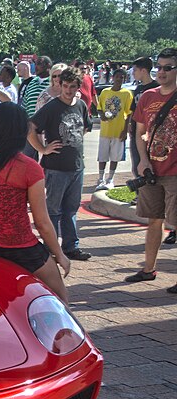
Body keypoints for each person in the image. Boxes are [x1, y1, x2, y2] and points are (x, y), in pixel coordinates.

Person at [0, 102, 70, 301]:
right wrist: (60, 254)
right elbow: (42, 222)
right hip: (24, 250)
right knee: (60, 299)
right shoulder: (29, 167)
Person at [125, 48, 177, 293]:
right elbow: (138, 133)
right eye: (160, 66)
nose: (162, 72)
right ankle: (148, 269)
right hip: (152, 170)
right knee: (154, 220)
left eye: (169, 67)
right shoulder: (147, 97)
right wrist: (142, 161)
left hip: (175, 171)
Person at [28, 67, 93, 261]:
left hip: (76, 165)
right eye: (65, 86)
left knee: (71, 208)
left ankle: (71, 246)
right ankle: (51, 246)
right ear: (59, 85)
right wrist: (43, 149)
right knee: (53, 209)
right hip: (56, 167)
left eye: (73, 87)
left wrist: (75, 142)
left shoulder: (80, 105)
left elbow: (86, 126)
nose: (68, 90)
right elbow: (31, 128)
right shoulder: (52, 107)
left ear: (78, 87)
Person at [96, 69, 133, 189]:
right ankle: (101, 178)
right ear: (113, 77)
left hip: (118, 130)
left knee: (115, 156)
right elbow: (99, 107)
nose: (119, 79)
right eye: (117, 77)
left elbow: (129, 113)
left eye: (122, 77)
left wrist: (125, 129)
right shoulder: (105, 92)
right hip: (105, 130)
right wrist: (101, 115)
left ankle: (110, 178)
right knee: (102, 155)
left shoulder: (127, 94)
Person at [128, 56, 159, 178]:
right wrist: (130, 123)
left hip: (150, 133)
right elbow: (133, 109)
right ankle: (139, 194)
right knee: (137, 165)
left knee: (150, 164)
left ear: (144, 71)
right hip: (136, 132)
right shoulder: (138, 88)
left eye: (135, 70)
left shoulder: (156, 88)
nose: (133, 73)